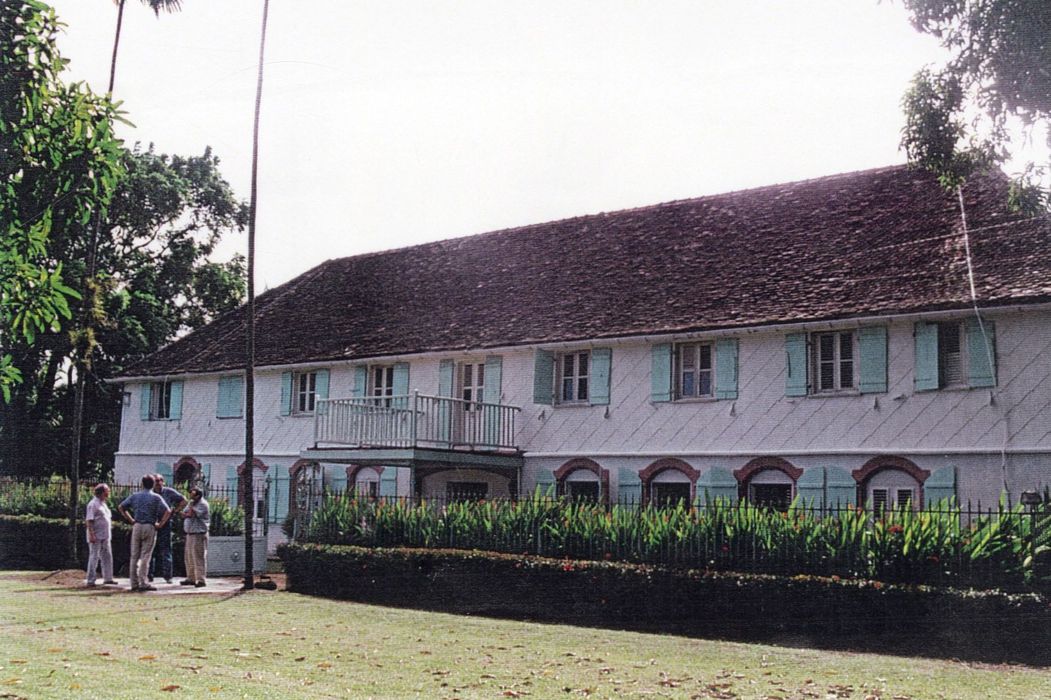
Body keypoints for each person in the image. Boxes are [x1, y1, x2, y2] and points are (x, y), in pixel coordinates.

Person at [117, 474, 171, 592]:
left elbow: (121, 507)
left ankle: (134, 582)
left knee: (134, 555)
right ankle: (143, 581)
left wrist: (130, 519)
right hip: (149, 525)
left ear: (142, 484)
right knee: (146, 555)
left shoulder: (135, 496)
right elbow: (167, 510)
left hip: (137, 525)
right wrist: (161, 524)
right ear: (152, 484)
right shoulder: (156, 497)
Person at [148, 473, 187, 584]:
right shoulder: (150, 493)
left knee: (166, 550)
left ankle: (168, 576)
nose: (159, 483)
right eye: (156, 481)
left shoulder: (168, 492)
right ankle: (149, 575)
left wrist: (175, 511)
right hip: (152, 523)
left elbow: (183, 500)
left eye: (161, 480)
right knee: (150, 550)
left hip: (166, 524)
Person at [85, 483, 117, 587]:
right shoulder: (93, 504)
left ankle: (108, 578)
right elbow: (89, 520)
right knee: (94, 556)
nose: (109, 493)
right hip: (96, 534)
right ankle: (91, 580)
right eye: (107, 491)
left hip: (105, 535)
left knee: (107, 556)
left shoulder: (103, 504)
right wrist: (91, 534)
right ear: (102, 492)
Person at [179, 487, 210, 588]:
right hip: (190, 533)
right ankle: (191, 578)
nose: (190, 496)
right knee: (189, 557)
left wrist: (190, 508)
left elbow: (191, 513)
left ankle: (201, 579)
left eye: (192, 494)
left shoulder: (203, 504)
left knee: (198, 557)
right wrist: (187, 512)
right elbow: (184, 514)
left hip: (199, 533)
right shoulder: (191, 503)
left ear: (198, 495)